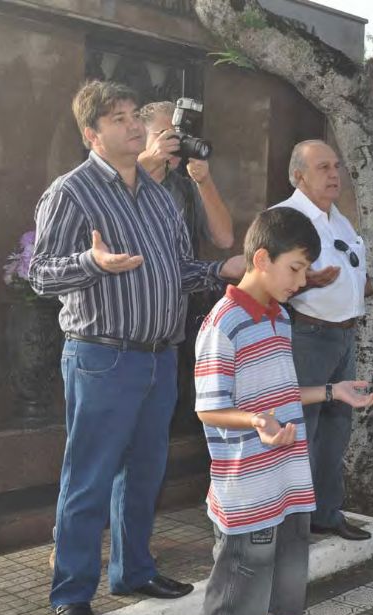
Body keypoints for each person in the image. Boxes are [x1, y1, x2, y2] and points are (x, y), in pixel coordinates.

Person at [29, 80, 243, 615]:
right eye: (118, 119)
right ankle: (73, 592)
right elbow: (41, 274)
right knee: (89, 478)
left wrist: (221, 271)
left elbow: (179, 271)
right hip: (102, 357)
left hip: (159, 357)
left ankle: (133, 571)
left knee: (145, 472)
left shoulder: (158, 197)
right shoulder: (71, 192)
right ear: (91, 134)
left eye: (132, 116)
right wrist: (93, 262)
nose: (131, 125)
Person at [194, 207, 373, 615]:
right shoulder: (224, 323)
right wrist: (257, 422)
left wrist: (332, 392)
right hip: (248, 496)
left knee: (280, 600)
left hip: (289, 488)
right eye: (296, 268)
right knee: (232, 607)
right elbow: (209, 407)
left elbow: (280, 393)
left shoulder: (278, 317)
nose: (301, 281)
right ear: (261, 259)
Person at [274, 139, 373, 541]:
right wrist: (306, 281)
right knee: (299, 429)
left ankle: (327, 512)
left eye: (336, 165)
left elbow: (349, 282)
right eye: (323, 167)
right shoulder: (284, 219)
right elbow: (266, 281)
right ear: (299, 175)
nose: (335, 174)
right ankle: (292, 521)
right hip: (306, 335)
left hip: (343, 336)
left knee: (336, 433)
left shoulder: (339, 220)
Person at [138, 100, 235, 431]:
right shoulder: (115, 180)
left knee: (153, 446)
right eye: (164, 134)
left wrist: (204, 181)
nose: (173, 143)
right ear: (139, 137)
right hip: (120, 344)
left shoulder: (182, 188)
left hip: (169, 339)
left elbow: (224, 238)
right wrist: (146, 162)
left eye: (178, 134)